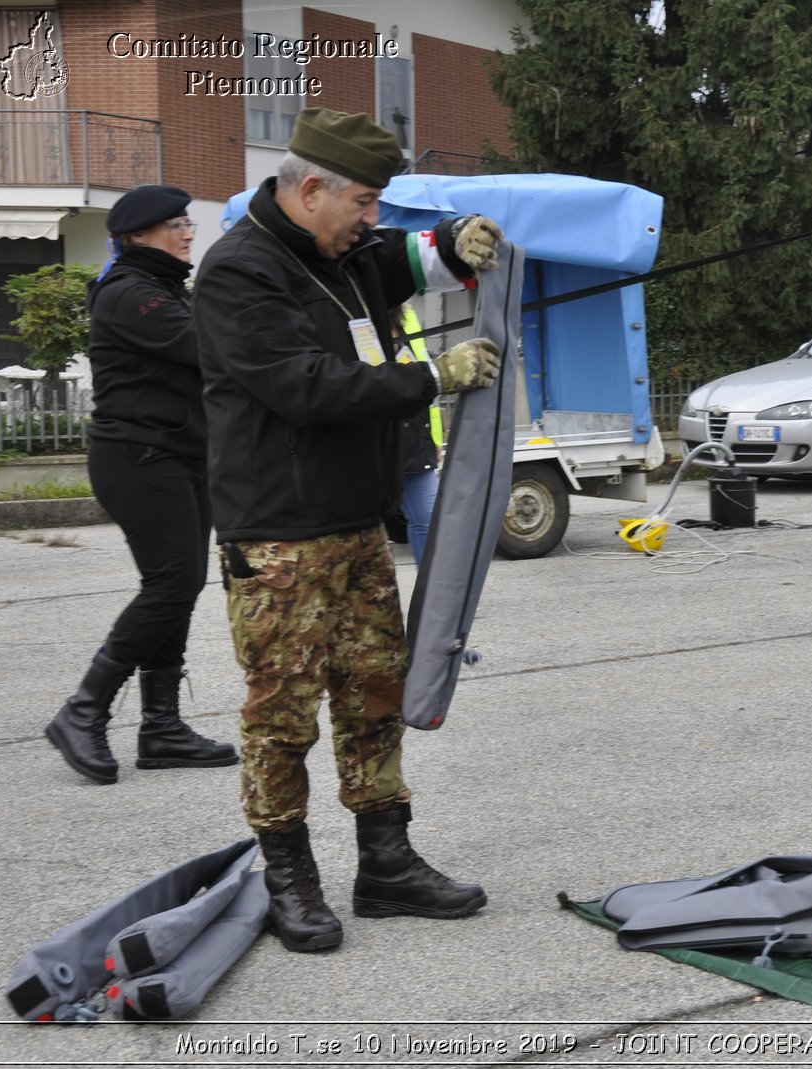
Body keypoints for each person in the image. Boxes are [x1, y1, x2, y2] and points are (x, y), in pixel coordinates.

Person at [194, 107, 505, 954]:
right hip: (279, 538)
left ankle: (387, 863)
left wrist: (454, 241)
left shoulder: (340, 253)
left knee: (375, 696)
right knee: (282, 716)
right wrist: (430, 376)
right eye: (364, 202)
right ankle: (288, 878)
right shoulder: (236, 273)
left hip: (356, 526)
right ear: (310, 189)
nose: (372, 220)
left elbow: (396, 262)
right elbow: (306, 386)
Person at [45, 184, 237, 786]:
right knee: (175, 581)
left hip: (176, 455)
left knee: (175, 586)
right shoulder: (131, 294)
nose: (188, 232)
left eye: (188, 222)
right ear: (139, 236)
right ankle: (84, 709)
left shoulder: (159, 288)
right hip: (139, 457)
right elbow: (210, 350)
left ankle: (162, 727)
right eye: (176, 224)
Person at [391, 301, 443, 565]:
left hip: (415, 442)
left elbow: (428, 386)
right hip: (378, 442)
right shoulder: (355, 306)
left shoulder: (408, 314)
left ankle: (432, 597)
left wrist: (434, 437)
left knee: (428, 522)